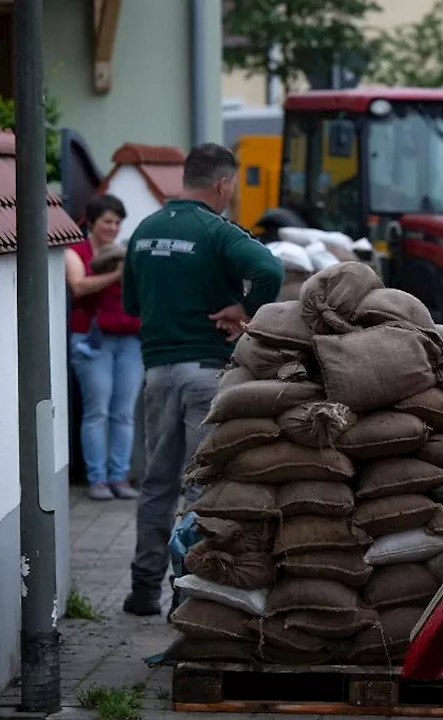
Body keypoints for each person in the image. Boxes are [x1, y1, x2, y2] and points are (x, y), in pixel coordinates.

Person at [120, 143, 285, 617]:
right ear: (224, 183)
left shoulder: (144, 231)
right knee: (199, 487)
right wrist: (246, 310)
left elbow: (133, 306)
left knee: (155, 483)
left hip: (156, 373)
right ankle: (187, 593)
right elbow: (268, 269)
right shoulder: (216, 230)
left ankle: (142, 590)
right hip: (205, 374)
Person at [65, 194, 142, 501]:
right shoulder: (76, 252)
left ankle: (119, 477)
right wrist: (117, 275)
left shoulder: (125, 252)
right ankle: (96, 478)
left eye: (116, 222)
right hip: (92, 341)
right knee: (97, 411)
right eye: (106, 221)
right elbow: (79, 286)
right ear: (92, 222)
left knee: (123, 413)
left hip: (130, 340)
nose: (112, 227)